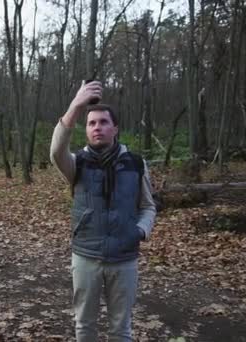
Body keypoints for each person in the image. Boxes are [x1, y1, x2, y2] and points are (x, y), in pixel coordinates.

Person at [49, 81, 156, 341]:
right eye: (92, 123)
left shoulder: (135, 164)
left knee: (121, 327)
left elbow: (148, 206)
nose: (98, 127)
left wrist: (140, 231)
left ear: (115, 128)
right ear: (86, 130)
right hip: (86, 257)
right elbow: (55, 152)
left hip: (125, 259)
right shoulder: (77, 164)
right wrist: (76, 105)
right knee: (85, 326)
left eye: (104, 122)